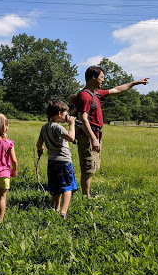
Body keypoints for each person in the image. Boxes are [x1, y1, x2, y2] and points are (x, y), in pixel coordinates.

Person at [76, 65, 149, 197]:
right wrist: (93, 139)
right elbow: (83, 120)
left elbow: (116, 90)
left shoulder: (96, 93)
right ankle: (85, 197)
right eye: (101, 77)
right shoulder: (85, 96)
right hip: (88, 136)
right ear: (93, 77)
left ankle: (86, 195)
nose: (103, 80)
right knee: (87, 167)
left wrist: (134, 83)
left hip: (95, 135)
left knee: (91, 167)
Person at [36, 100, 77, 219]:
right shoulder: (58, 127)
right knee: (67, 186)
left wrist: (41, 149)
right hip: (64, 161)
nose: (67, 116)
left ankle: (55, 209)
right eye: (66, 114)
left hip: (52, 161)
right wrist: (71, 125)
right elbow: (71, 138)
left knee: (55, 187)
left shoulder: (44, 127)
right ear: (59, 113)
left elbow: (39, 144)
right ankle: (63, 211)